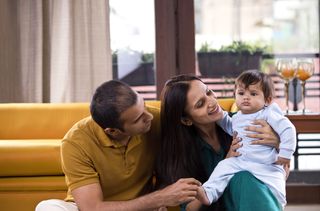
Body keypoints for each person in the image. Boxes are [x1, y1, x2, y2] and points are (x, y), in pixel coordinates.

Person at [36, 80, 201, 211]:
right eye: (138, 119)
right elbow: (92, 208)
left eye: (143, 105)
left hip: (141, 208)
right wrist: (159, 198)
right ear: (113, 131)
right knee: (47, 208)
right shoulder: (76, 143)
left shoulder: (156, 121)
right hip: (91, 209)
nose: (149, 116)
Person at [156, 74, 287, 211]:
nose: (212, 102)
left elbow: (283, 169)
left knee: (245, 177)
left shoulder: (242, 123)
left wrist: (277, 142)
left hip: (255, 201)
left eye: (208, 92)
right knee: (243, 177)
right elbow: (190, 208)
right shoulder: (181, 152)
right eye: (200, 104)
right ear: (186, 120)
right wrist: (228, 160)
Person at [196, 70, 296, 209]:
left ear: (267, 100)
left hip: (265, 164)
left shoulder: (268, 114)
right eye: (241, 93)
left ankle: (274, 201)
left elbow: (288, 130)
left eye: (253, 94)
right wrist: (219, 116)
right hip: (241, 162)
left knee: (273, 183)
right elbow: (229, 125)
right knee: (223, 167)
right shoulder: (237, 117)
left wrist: (285, 153)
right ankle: (209, 193)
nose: (246, 98)